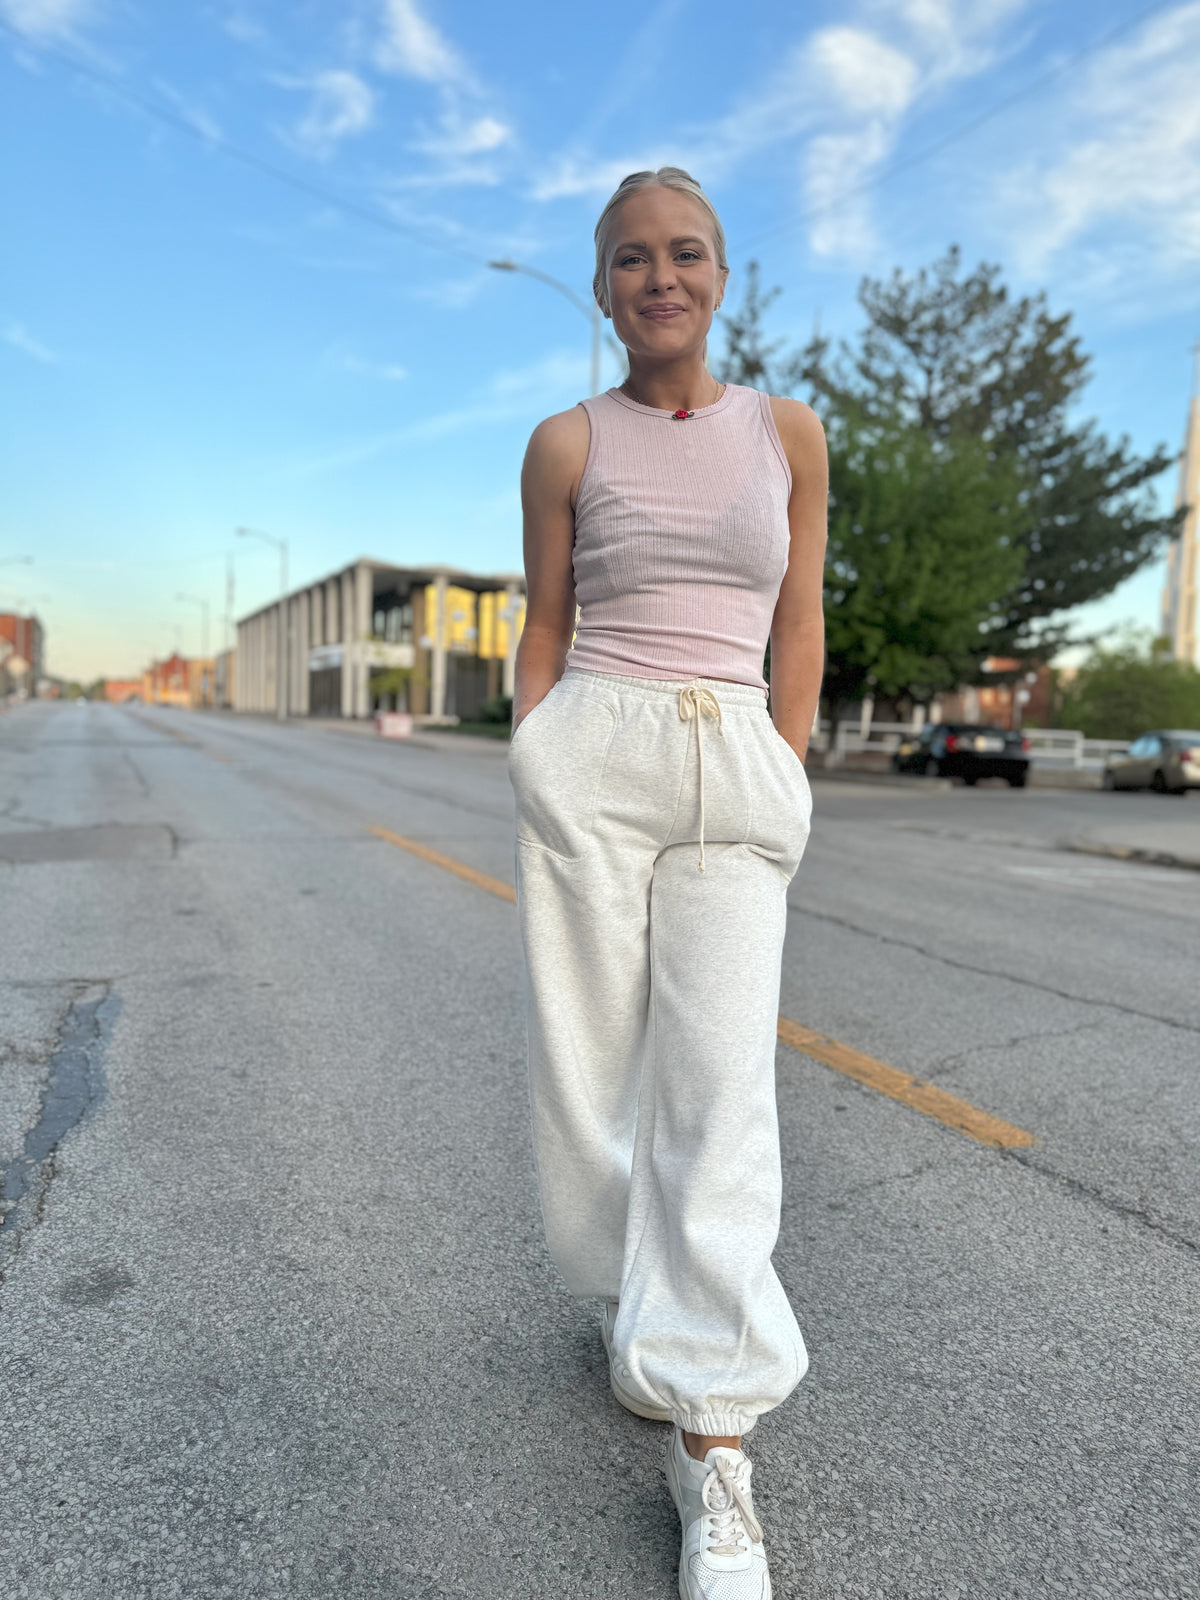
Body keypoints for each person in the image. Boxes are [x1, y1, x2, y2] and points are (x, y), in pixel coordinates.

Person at [509, 166, 827, 1600]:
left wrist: (787, 764)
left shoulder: (790, 434)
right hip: (601, 751)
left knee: (719, 1089)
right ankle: (633, 1301)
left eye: (686, 252)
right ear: (602, 286)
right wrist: (536, 747)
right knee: (590, 1081)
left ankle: (715, 1443)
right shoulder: (567, 442)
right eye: (631, 257)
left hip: (731, 758)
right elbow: (548, 617)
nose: (661, 276)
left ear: (721, 275)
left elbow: (801, 614)